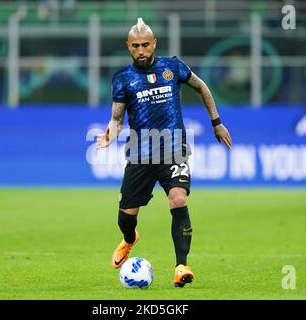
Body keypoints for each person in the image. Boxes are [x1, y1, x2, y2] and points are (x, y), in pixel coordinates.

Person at [96, 18, 232, 288]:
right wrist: (109, 134)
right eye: (135, 46)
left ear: (154, 43)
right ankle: (130, 238)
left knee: (178, 199)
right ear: (128, 47)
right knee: (126, 216)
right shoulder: (122, 79)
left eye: (146, 44)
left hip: (173, 149)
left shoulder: (173, 67)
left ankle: (181, 266)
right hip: (140, 154)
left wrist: (216, 122)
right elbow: (118, 118)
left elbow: (202, 87)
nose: (141, 50)